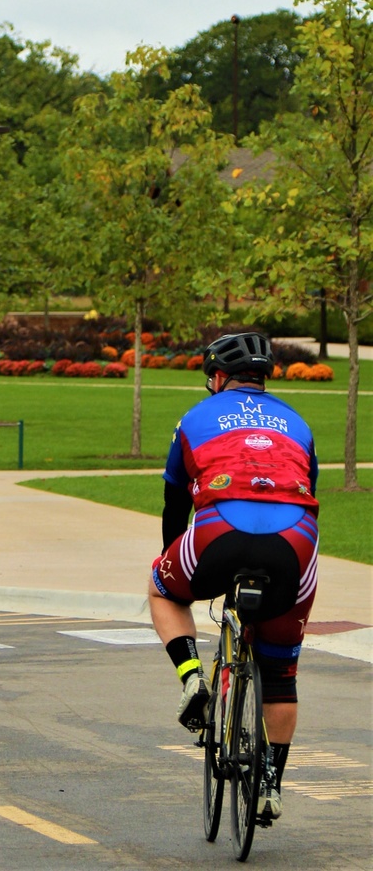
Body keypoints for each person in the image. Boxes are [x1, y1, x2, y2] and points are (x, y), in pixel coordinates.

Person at [148, 331, 319, 824]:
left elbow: (174, 503)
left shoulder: (195, 418)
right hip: (295, 541)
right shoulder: (298, 422)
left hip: (218, 531)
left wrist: (171, 561)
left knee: (160, 588)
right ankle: (269, 784)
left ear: (218, 376)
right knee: (282, 677)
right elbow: (308, 490)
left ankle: (191, 677)